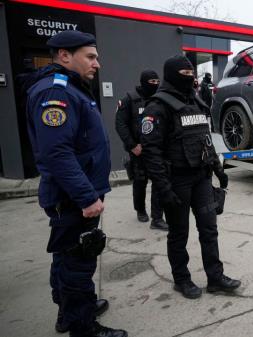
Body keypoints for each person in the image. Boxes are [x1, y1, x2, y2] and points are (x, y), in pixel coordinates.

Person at [24, 30, 127, 337]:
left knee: (66, 256)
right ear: (65, 56)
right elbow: (56, 153)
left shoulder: (71, 88)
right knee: (79, 262)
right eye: (90, 56)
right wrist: (86, 197)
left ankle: (68, 312)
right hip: (73, 197)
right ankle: (83, 327)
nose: (97, 63)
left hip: (75, 193)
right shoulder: (56, 92)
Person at [141, 55, 241, 299]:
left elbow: (205, 139)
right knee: (179, 233)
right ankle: (181, 279)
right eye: (185, 75)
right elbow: (151, 152)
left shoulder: (195, 102)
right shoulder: (158, 106)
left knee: (209, 229)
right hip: (177, 181)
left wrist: (218, 169)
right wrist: (163, 188)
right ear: (173, 75)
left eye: (191, 74)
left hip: (202, 177)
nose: (191, 79)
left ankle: (215, 278)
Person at [115, 70, 168, 231]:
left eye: (157, 82)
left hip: (156, 149)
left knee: (159, 182)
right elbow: (120, 124)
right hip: (138, 150)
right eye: (151, 82)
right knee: (140, 181)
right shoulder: (129, 100)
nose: (155, 85)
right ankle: (140, 209)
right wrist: (132, 145)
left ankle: (157, 218)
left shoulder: (159, 99)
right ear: (143, 82)